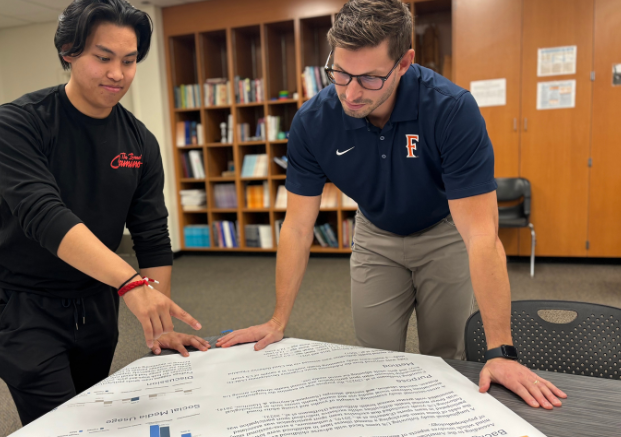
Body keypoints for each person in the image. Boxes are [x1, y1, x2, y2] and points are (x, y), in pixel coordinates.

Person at [218, 0, 566, 411]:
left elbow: (481, 235)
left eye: (369, 78)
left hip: (443, 232)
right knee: (374, 359)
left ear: (404, 63)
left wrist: (500, 351)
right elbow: (296, 226)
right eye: (340, 73)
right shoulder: (313, 123)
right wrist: (277, 320)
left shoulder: (451, 110)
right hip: (375, 234)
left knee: (445, 355)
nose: (350, 91)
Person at [0, 0, 208, 426]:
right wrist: (131, 283)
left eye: (128, 60)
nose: (117, 74)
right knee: (59, 429)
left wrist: (159, 319)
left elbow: (151, 234)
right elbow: (43, 214)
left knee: (93, 417)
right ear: (68, 52)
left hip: (97, 299)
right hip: (27, 303)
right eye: (102, 58)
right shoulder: (18, 122)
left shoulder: (139, 141)